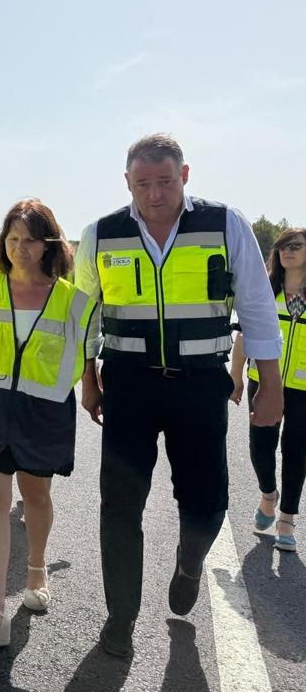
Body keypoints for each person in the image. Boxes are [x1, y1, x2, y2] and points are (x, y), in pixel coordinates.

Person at [76, 133, 284, 658]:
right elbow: (83, 315)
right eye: (142, 183)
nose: (154, 194)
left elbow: (258, 306)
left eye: (165, 181)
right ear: (127, 182)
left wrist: (271, 383)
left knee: (207, 503)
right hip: (129, 386)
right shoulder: (101, 234)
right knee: (120, 506)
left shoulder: (224, 223)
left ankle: (189, 564)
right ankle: (120, 617)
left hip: (200, 386)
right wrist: (89, 377)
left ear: (185, 176)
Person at [0, 200, 97, 651]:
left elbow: (89, 353)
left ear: (49, 244)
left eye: (30, 239)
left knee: (36, 495)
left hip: (44, 411)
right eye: (12, 238)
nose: (20, 247)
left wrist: (93, 391)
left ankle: (36, 568)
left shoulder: (75, 301)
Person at [230, 227, 306, 554]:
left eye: (297, 246)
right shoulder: (265, 290)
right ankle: (267, 496)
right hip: (264, 380)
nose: (288, 251)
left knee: (296, 451)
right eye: (284, 246)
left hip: (304, 388)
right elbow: (245, 336)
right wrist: (236, 376)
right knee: (261, 446)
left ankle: (287, 518)